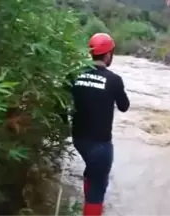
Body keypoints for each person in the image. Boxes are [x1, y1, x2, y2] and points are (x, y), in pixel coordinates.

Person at [71, 33, 130, 216]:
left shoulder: (74, 75)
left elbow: (61, 103)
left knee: (92, 171)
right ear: (108, 55)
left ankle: (87, 204)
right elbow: (124, 107)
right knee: (98, 188)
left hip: (78, 140)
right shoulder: (113, 80)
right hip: (100, 144)